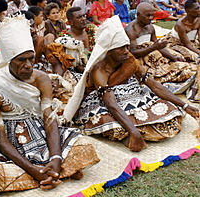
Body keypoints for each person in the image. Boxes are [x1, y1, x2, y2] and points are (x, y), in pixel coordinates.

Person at [0, 15, 99, 194]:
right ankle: (50, 173)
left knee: (84, 147)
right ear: (10, 60)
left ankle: (47, 170)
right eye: (21, 60)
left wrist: (55, 157)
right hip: (7, 141)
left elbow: (49, 119)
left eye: (31, 59)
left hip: (39, 133)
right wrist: (32, 170)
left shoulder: (41, 78)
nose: (28, 65)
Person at [62, 16, 199, 152]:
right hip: (104, 102)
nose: (126, 51)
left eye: (126, 47)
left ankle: (137, 132)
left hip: (132, 95)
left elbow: (154, 85)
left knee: (171, 110)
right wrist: (132, 130)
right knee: (107, 122)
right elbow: (111, 104)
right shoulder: (100, 70)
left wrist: (185, 105)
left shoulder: (129, 59)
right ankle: (134, 132)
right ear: (109, 52)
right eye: (121, 48)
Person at [125, 3, 196, 85]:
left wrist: (172, 57)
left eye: (152, 15)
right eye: (148, 16)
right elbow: (133, 53)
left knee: (184, 61)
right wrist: (152, 48)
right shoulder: (131, 30)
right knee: (175, 72)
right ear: (138, 14)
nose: (151, 18)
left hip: (155, 54)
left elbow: (157, 46)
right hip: (143, 60)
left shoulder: (150, 27)